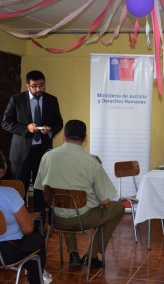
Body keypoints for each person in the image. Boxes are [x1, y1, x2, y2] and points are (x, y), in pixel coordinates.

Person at [34, 120, 124, 268]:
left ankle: (73, 254)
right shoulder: (91, 162)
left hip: (55, 218)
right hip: (82, 220)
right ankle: (92, 254)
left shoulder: (47, 157)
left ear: (63, 137)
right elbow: (105, 201)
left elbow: (40, 188)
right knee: (117, 208)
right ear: (85, 138)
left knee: (65, 203)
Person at [1, 70, 63, 222]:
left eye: (41, 86)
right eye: (34, 86)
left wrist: (51, 129)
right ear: (28, 86)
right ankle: (18, 219)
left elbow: (58, 122)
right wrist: (25, 129)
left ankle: (40, 220)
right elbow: (6, 123)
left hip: (42, 151)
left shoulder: (51, 100)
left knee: (40, 188)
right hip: (21, 152)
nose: (38, 90)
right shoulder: (16, 100)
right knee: (19, 188)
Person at [0, 151, 52, 284]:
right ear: (2, 170)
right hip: (7, 250)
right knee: (38, 240)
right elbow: (28, 229)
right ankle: (37, 279)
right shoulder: (9, 194)